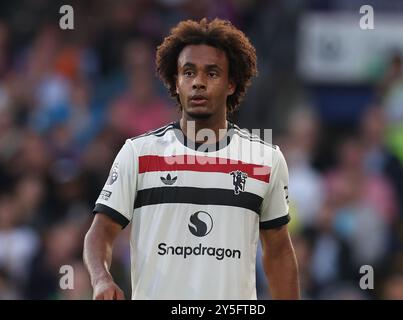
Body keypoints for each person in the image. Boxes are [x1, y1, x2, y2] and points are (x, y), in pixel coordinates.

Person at [83, 18, 300, 300]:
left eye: (212, 73)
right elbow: (100, 232)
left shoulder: (264, 158)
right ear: (175, 83)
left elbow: (279, 251)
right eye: (188, 72)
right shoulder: (138, 153)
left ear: (231, 83)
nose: (198, 82)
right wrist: (101, 278)